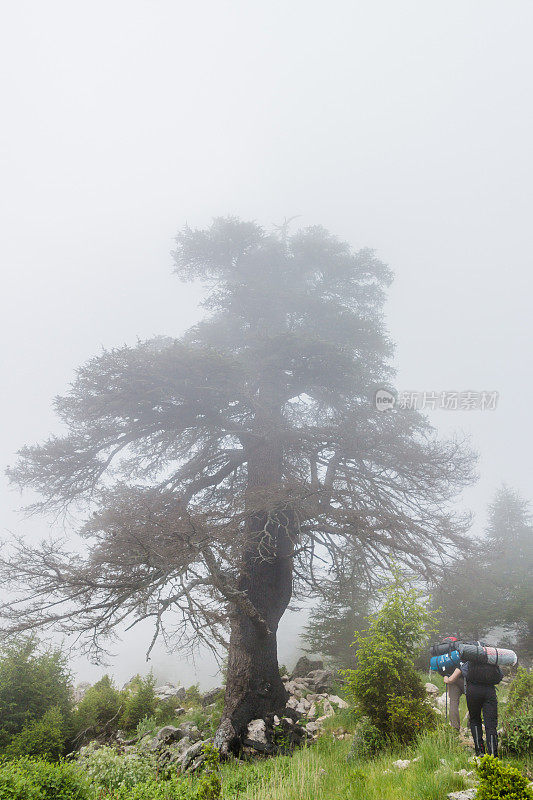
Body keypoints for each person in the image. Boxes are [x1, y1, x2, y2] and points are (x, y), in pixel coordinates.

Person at [444, 660, 502, 756]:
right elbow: (500, 676)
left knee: (475, 720)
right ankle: (493, 754)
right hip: (489, 691)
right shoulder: (490, 659)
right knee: (491, 724)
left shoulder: (470, 659)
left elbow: (463, 671)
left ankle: (480, 751)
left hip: (473, 691)